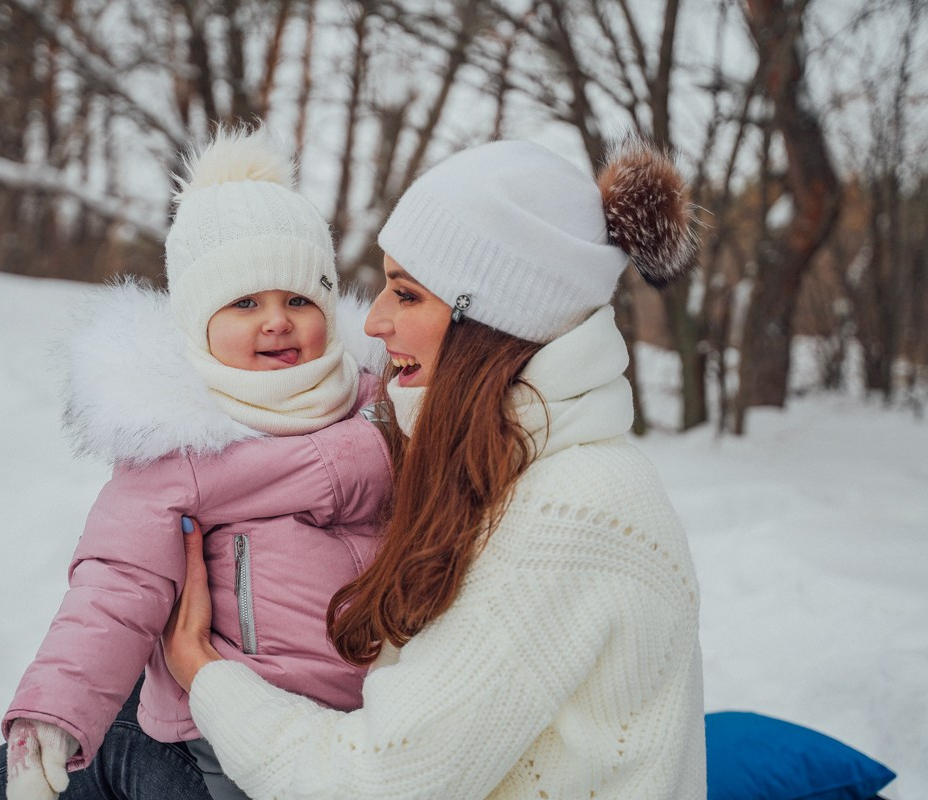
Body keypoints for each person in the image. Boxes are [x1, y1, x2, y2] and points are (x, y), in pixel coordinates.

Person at [163, 137, 707, 799]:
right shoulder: (511, 466)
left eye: (408, 294)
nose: (376, 323)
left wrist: (202, 671)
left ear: (493, 320)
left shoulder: (571, 509)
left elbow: (381, 782)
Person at [0, 130, 392, 800]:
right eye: (245, 302)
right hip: (221, 750)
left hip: (363, 740)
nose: (277, 321)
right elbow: (117, 587)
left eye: (299, 300)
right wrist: (55, 712)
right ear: (197, 320)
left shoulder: (381, 408)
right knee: (120, 725)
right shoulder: (184, 448)